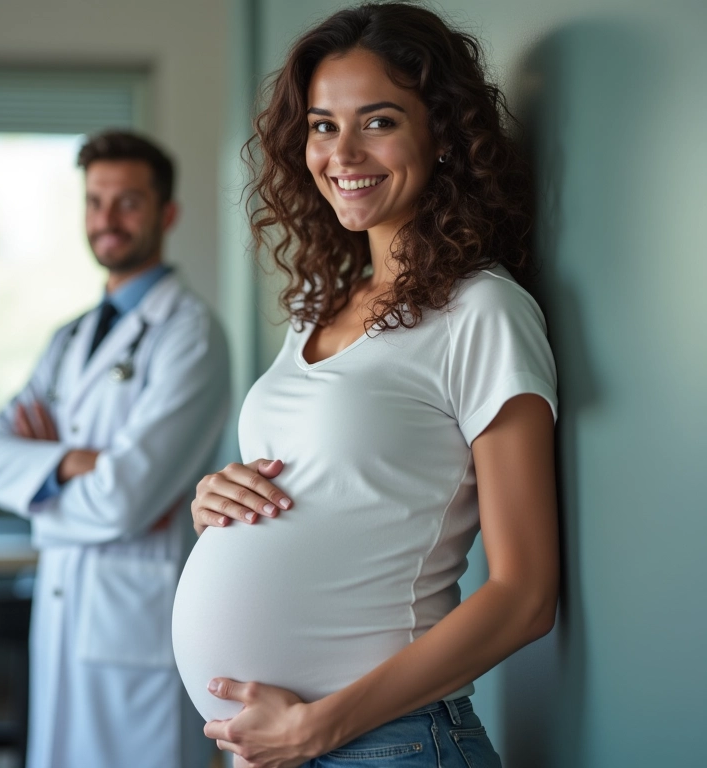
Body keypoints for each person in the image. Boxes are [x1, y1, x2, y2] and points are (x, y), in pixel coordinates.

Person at [172, 3, 558, 767]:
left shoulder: (483, 309)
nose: (341, 152)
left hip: (387, 743)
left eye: (377, 121)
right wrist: (215, 499)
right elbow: (335, 490)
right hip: (281, 748)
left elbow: (525, 597)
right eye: (322, 125)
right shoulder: (321, 305)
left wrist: (324, 726)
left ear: (442, 133)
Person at [0, 130, 230, 768]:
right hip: (63, 611)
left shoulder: (189, 336)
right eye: (95, 201)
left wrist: (42, 483)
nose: (107, 220)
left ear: (166, 214)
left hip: (137, 621)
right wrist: (72, 462)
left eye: (128, 202)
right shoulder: (68, 339)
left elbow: (122, 500)